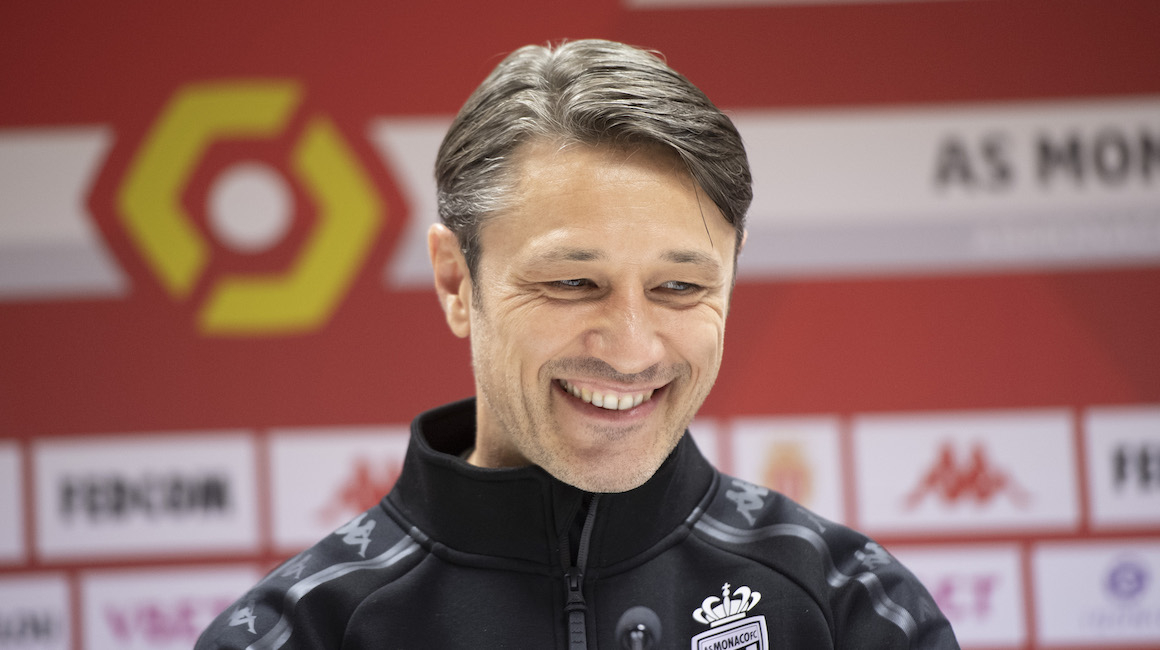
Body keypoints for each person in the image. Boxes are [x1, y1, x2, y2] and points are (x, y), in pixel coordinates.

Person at [196, 39, 959, 649]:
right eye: (571, 283)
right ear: (456, 281)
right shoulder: (297, 632)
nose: (630, 350)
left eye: (679, 287)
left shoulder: (853, 609)